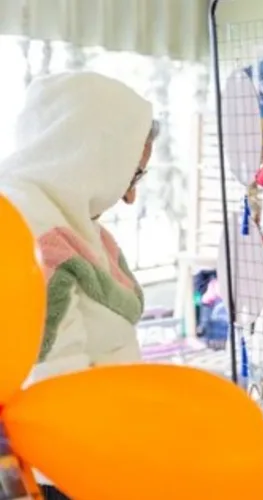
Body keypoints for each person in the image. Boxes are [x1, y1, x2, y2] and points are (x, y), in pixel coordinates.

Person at [0, 71, 156, 500]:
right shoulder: (29, 224)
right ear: (94, 153)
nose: (129, 198)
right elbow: (52, 385)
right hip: (63, 472)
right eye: (132, 174)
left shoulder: (70, 219)